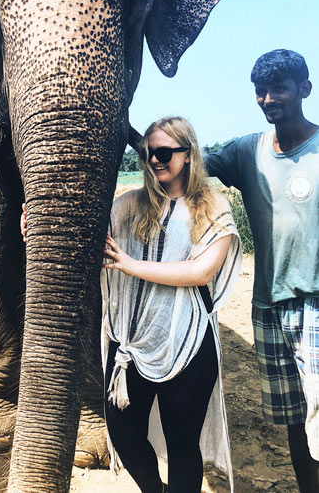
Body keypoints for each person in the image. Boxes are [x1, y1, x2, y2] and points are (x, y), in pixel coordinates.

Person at [20, 116, 241, 492]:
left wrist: (131, 265)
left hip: (187, 343)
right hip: (132, 345)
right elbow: (87, 236)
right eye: (149, 153)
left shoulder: (212, 207)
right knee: (122, 432)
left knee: (182, 442)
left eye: (165, 152)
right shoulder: (129, 205)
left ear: (188, 155)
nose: (155, 160)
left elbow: (202, 272)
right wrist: (42, 228)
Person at [205, 49, 319, 493]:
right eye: (260, 91)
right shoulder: (245, 152)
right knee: (292, 417)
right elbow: (181, 161)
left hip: (315, 302)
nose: (268, 99)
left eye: (280, 89)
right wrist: (133, 133)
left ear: (304, 90)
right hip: (267, 307)